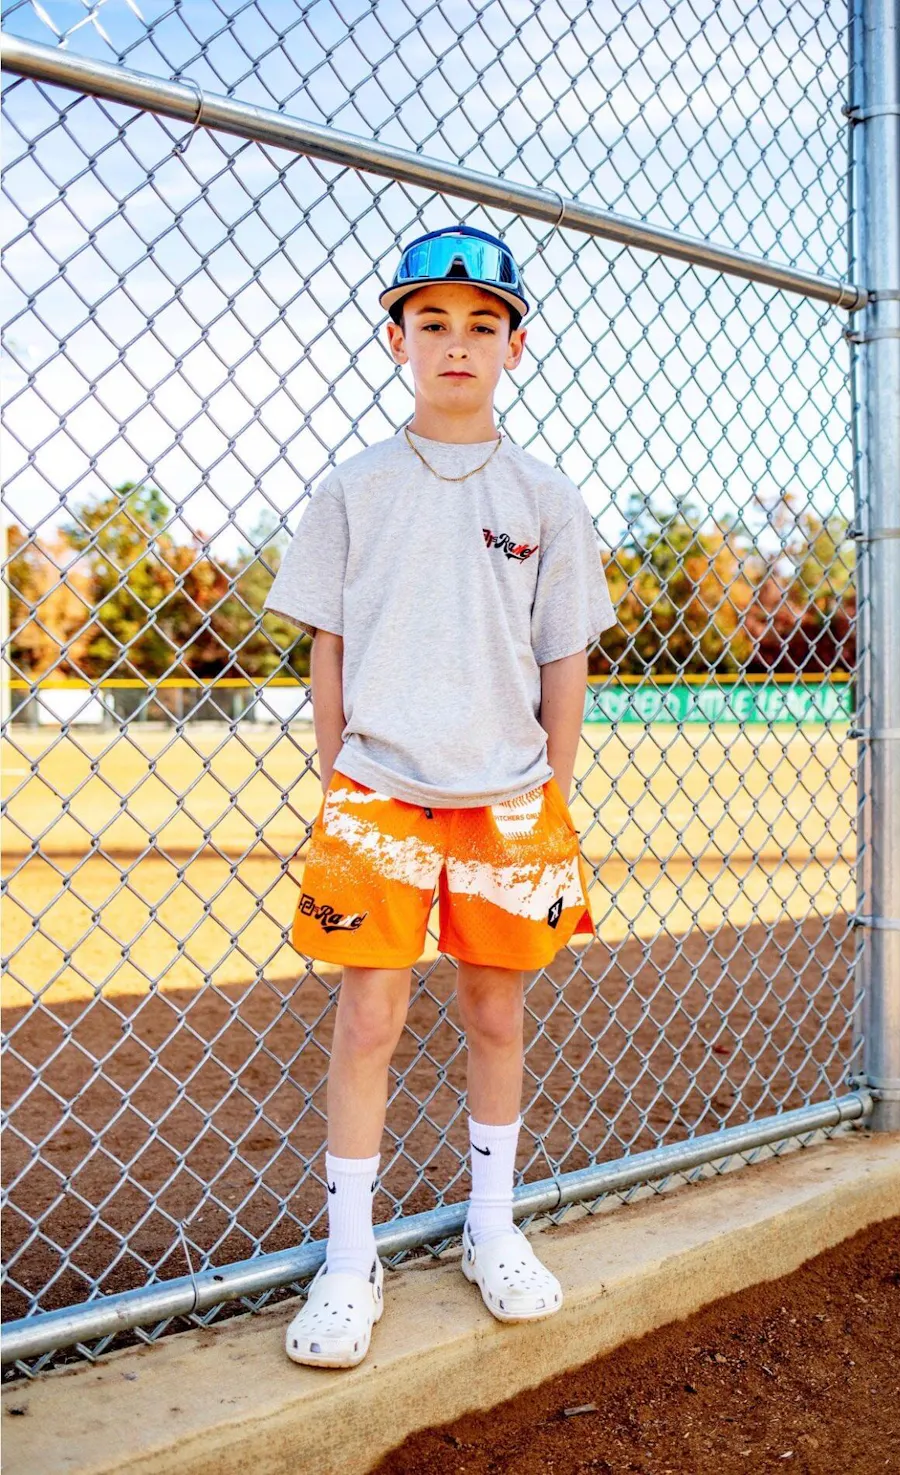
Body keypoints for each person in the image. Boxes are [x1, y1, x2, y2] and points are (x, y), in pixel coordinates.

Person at [263, 224, 617, 1369]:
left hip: (511, 796)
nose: (455, 343)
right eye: (431, 323)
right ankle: (349, 1252)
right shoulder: (356, 486)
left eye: (480, 324)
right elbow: (329, 643)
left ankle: (490, 1224)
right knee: (368, 1018)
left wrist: (551, 791)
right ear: (396, 338)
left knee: (496, 1014)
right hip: (379, 790)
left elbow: (563, 655)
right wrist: (339, 775)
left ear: (518, 344)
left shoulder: (547, 497)